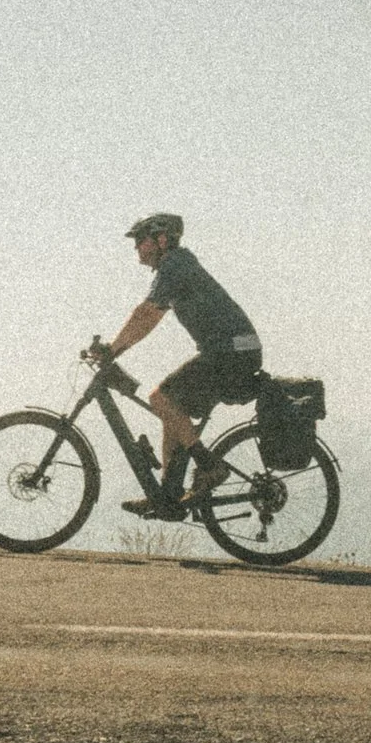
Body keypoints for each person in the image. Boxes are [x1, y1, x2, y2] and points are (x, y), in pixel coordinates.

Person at [91, 210, 263, 515]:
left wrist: (112, 350)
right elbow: (148, 316)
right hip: (231, 352)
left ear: (161, 240)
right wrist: (116, 350)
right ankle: (167, 495)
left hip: (231, 354)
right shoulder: (177, 265)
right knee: (172, 407)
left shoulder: (175, 264)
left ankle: (210, 466)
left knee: (160, 398)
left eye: (141, 241)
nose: (136, 249)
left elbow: (147, 315)